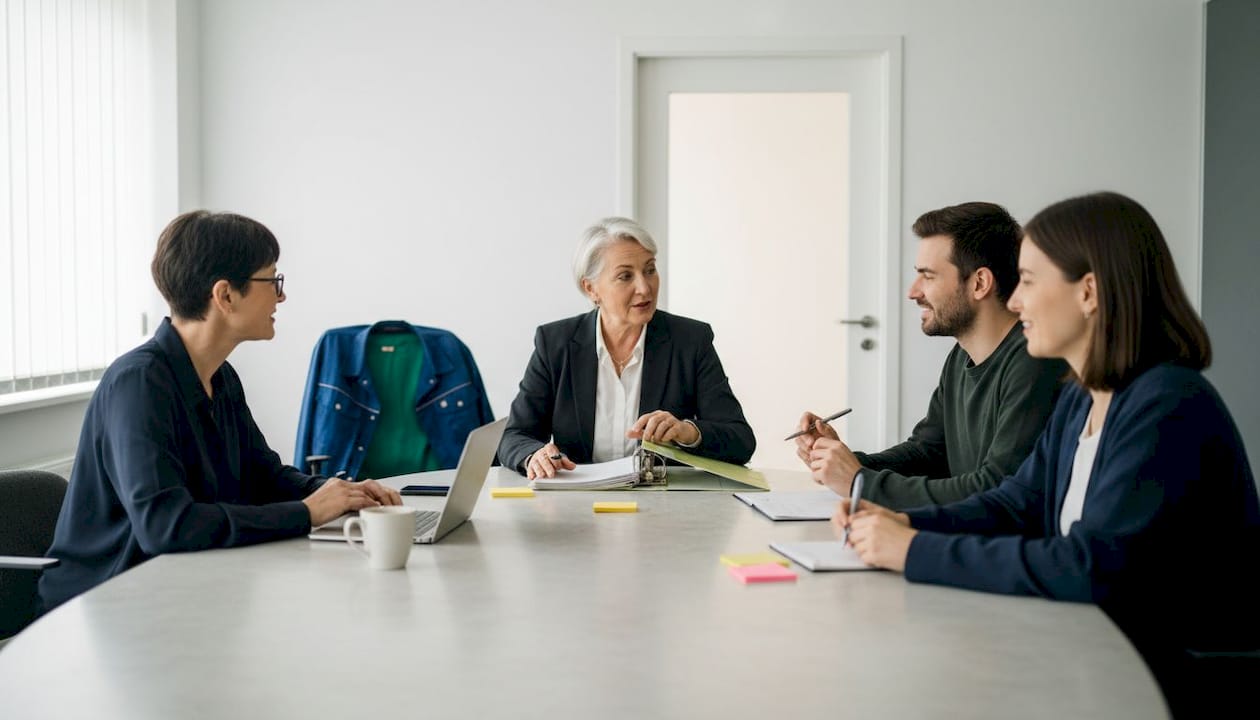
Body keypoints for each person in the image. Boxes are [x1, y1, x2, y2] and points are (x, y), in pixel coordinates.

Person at [835, 192, 1260, 717]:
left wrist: (912, 549)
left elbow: (1089, 565)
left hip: (1172, 679)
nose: (1014, 302)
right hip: (1102, 650)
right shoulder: (1084, 393)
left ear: (1089, 292)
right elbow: (1017, 503)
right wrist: (902, 519)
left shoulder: (1167, 404)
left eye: (1029, 282)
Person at [39, 211, 401, 611]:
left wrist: (335, 492)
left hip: (184, 590)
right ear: (225, 295)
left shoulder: (220, 375)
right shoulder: (139, 383)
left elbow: (264, 475)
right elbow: (166, 527)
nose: (282, 297)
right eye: (272, 281)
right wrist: (304, 513)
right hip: (107, 603)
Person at [796, 202, 1067, 508]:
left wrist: (860, 480)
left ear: (979, 283)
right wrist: (843, 463)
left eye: (928, 276)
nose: (913, 292)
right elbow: (929, 453)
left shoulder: (1034, 362)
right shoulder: (960, 357)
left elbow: (997, 487)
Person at [498, 217, 755, 479]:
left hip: (664, 510)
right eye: (625, 276)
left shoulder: (690, 340)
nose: (644, 288)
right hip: (575, 507)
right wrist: (535, 455)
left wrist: (687, 432)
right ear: (591, 289)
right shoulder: (555, 343)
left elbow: (741, 441)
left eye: (650, 270)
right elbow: (515, 435)